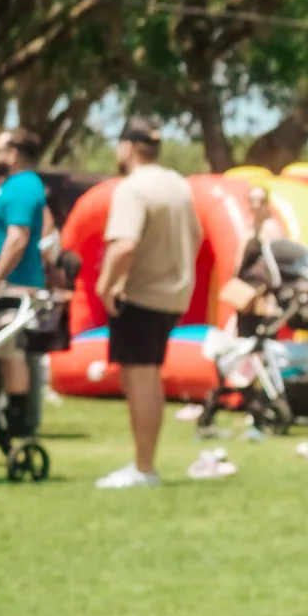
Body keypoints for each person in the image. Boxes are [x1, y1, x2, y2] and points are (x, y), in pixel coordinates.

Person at [94, 124, 203, 489]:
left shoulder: (133, 188)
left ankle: (143, 467)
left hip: (141, 294)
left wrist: (105, 285)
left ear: (127, 147)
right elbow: (197, 235)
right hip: (174, 295)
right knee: (150, 375)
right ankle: (146, 463)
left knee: (138, 377)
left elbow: (124, 245)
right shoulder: (177, 184)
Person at [0, 129, 52, 436]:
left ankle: (15, 424)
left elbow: (18, 237)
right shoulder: (12, 185)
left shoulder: (24, 185)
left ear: (14, 152)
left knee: (6, 354)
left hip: (9, 285)